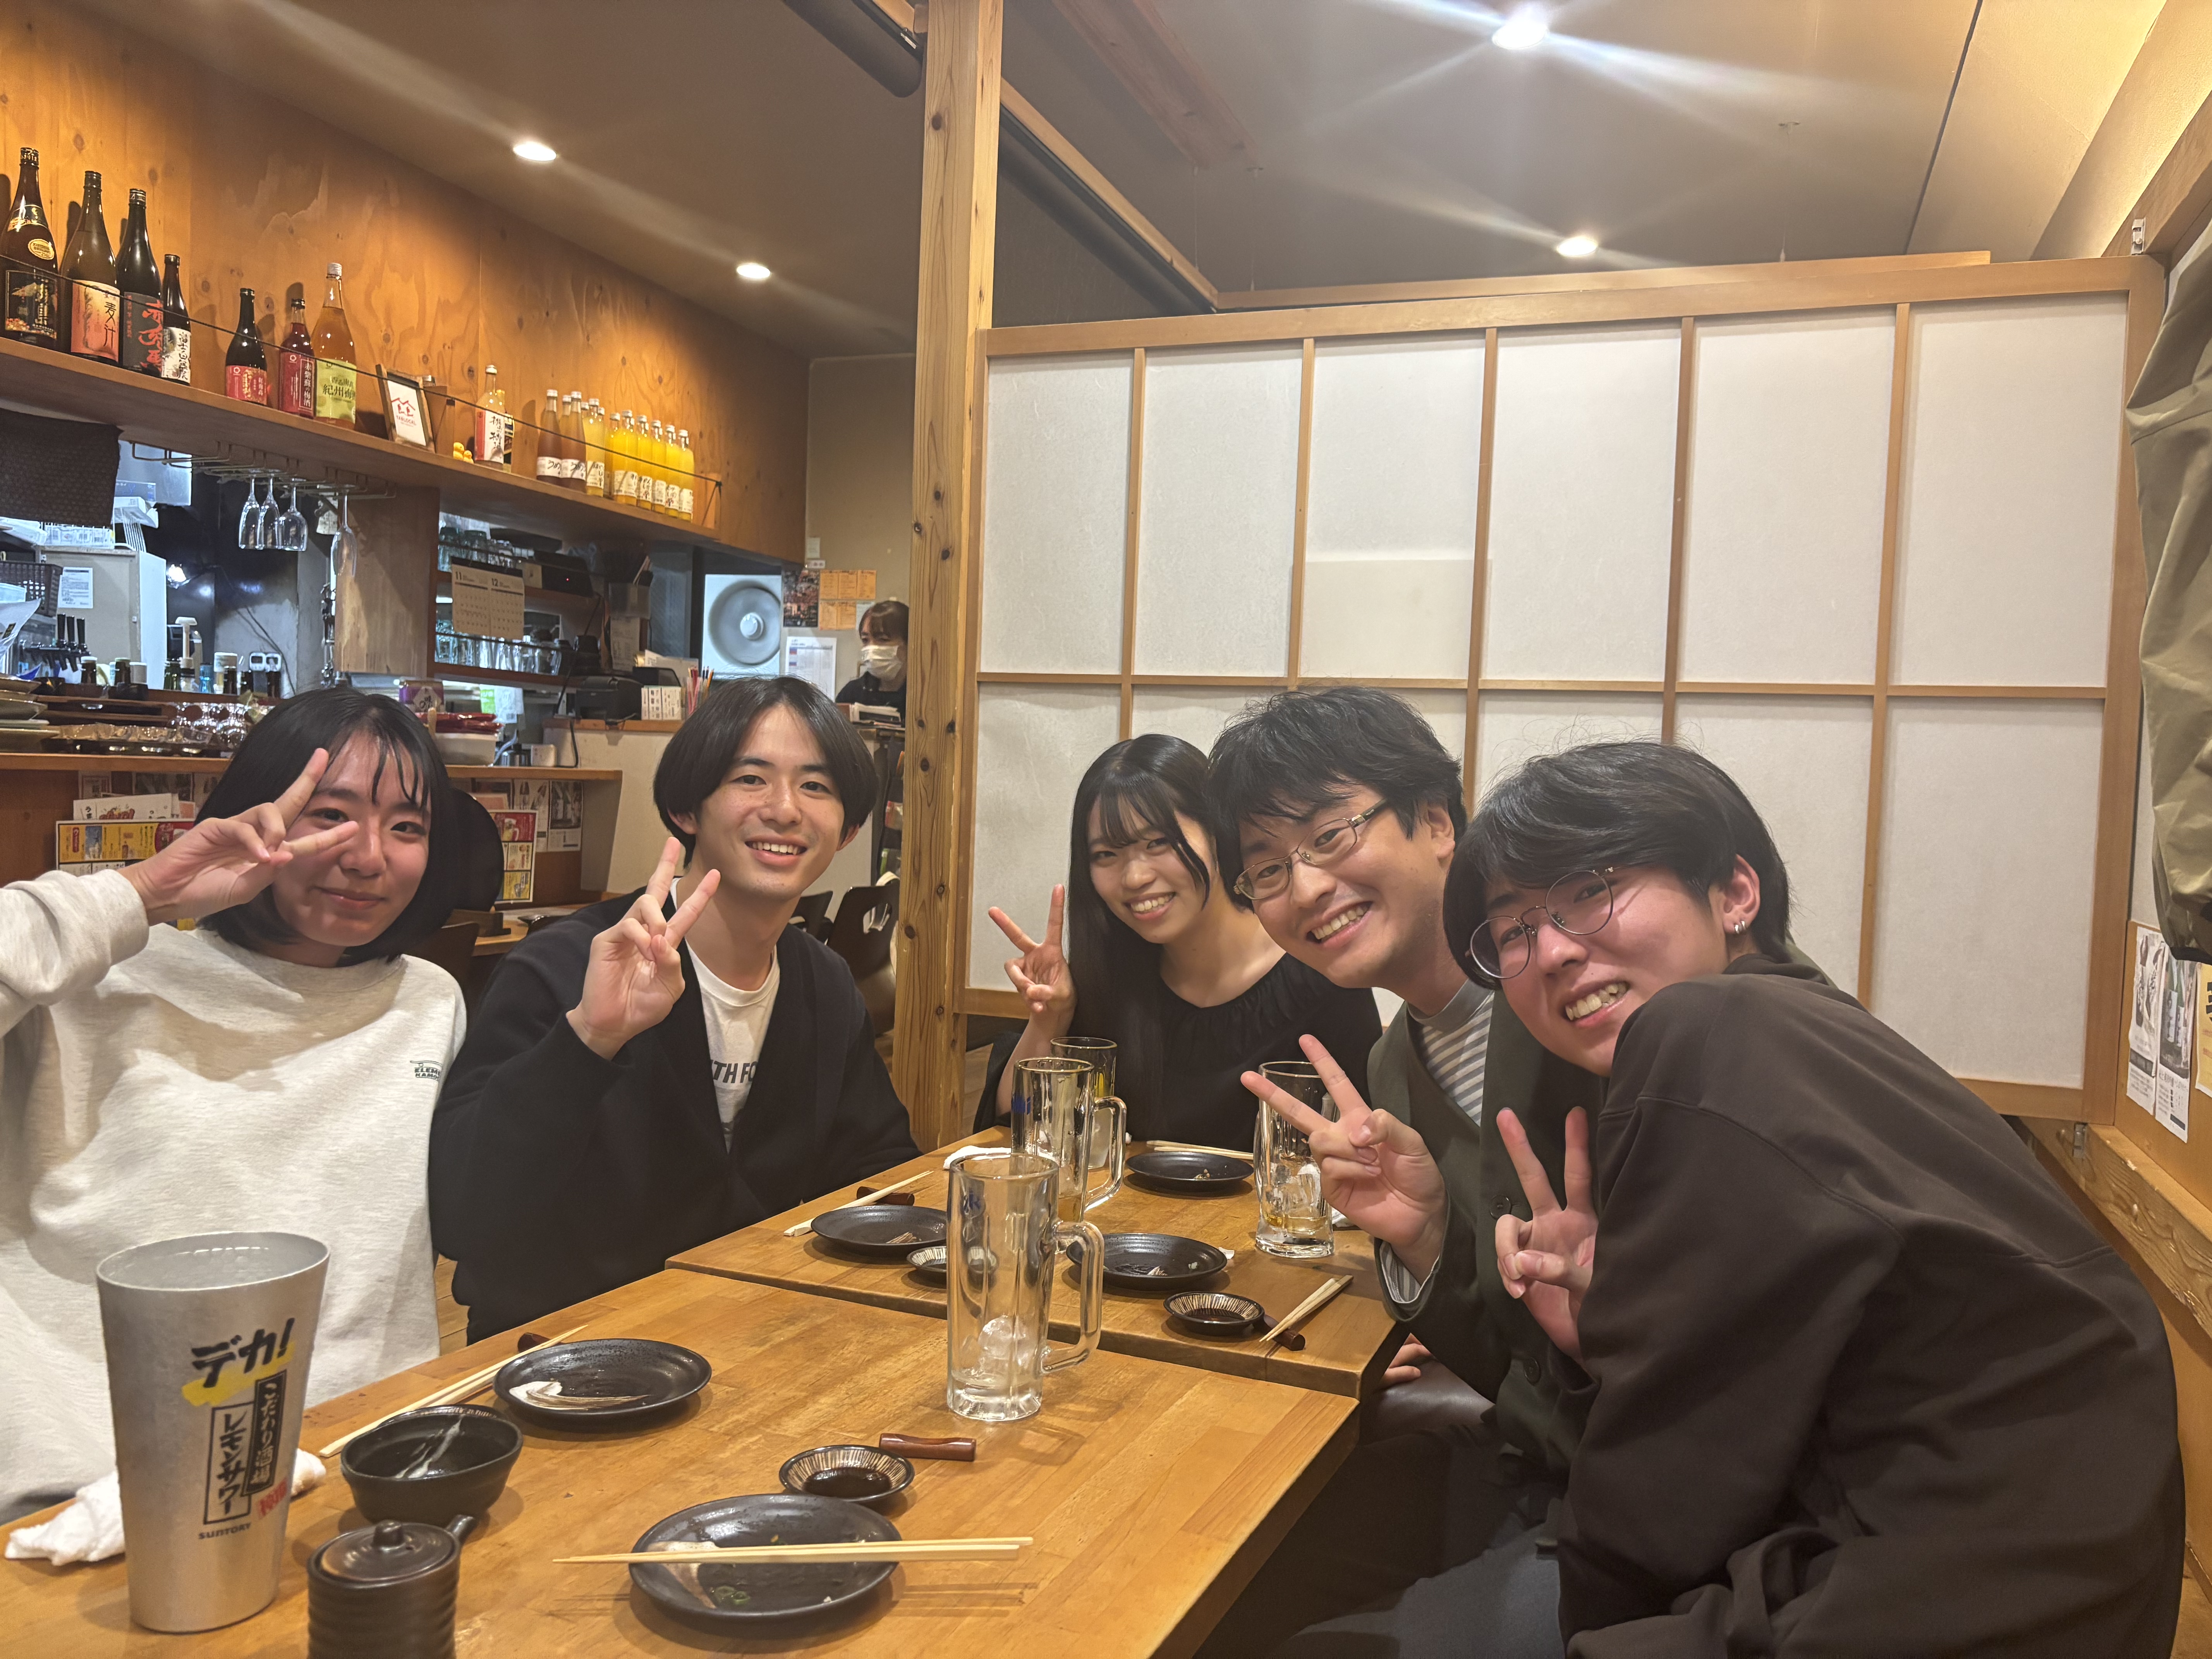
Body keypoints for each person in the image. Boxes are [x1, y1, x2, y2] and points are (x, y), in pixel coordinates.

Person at [1255, 739, 2183, 1656]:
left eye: (1591, 891)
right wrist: (1597, 1324)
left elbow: (1661, 1501)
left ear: (1737, 892)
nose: (1556, 950)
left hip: (1946, 1584)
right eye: (1516, 931)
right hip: (1981, 1552)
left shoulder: (1710, 1029)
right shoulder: (1783, 1033)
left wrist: (1592, 1614)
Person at [1200, 685, 1604, 1657]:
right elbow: (1509, 1357)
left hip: (1658, 1502)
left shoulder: (1580, 1001)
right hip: (1541, 1459)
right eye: (1267, 869)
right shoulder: (1390, 1070)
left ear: (1436, 823)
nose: (1304, 889)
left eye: (1331, 835)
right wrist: (1425, 1240)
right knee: (1214, 1579)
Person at [0, 688, 473, 1517]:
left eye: (407, 826)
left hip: (354, 1457)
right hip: (85, 1485)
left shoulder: (428, 1002)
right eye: (331, 815)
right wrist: (142, 895)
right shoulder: (93, 981)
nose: (368, 856)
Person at [433, 676, 919, 1340]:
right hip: (559, 1357)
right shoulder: (567, 967)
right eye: (751, 779)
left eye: (816, 786)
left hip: (744, 1337)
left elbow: (879, 1166)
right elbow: (463, 1213)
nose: (784, 809)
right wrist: (589, 1038)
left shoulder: (822, 984)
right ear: (687, 809)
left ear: (849, 829)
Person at [974, 733, 1379, 1145]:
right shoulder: (1111, 983)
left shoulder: (1318, 972)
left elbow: (1369, 1137)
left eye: (1158, 843)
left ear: (1218, 833)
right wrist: (1050, 1018)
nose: (1135, 877)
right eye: (1106, 855)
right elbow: (1016, 1126)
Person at [834, 598, 907, 718]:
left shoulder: (922, 697)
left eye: (883, 639)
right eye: (865, 640)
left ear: (908, 643)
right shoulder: (852, 694)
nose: (872, 648)